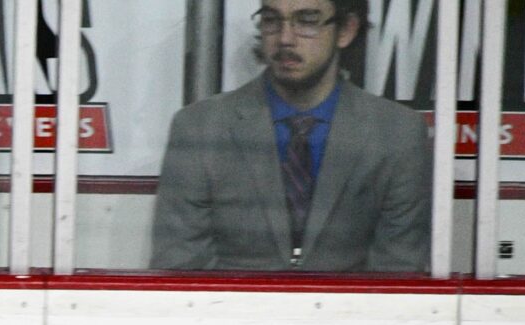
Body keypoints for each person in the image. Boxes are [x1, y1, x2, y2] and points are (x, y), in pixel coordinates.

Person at [151, 0, 431, 273]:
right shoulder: (200, 128)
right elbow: (180, 269)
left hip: (349, 316)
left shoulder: (397, 133)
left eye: (307, 21)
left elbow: (398, 276)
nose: (285, 38)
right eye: (272, 20)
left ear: (345, 30)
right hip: (230, 315)